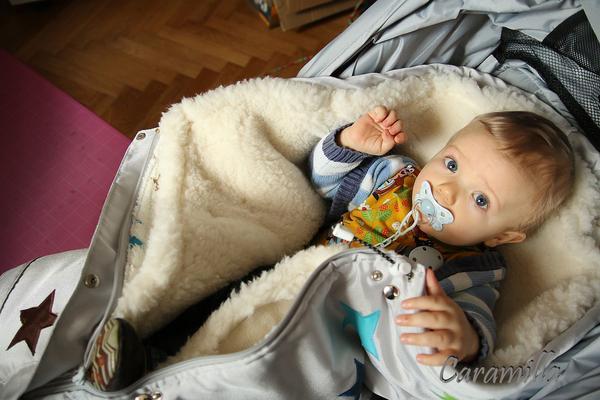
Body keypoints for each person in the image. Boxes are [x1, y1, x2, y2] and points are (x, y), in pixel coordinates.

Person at [310, 105, 574, 365]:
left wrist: (464, 339)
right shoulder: (394, 177)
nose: (446, 190)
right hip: (307, 276)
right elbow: (321, 186)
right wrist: (350, 143)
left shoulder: (472, 268)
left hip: (347, 345)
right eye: (451, 164)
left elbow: (476, 322)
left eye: (480, 199)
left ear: (501, 237)